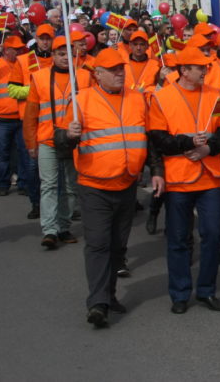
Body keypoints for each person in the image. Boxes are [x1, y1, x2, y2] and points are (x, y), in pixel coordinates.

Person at [63, 48, 164, 328]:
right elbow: (62, 142)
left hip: (127, 183)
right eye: (113, 70)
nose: (121, 73)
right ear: (98, 74)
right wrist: (68, 136)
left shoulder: (137, 99)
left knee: (118, 246)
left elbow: (150, 139)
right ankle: (97, 303)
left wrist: (156, 171)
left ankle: (108, 294)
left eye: (122, 68)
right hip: (94, 185)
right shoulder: (81, 101)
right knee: (98, 244)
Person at [147, 46, 220, 314]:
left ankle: (207, 290)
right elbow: (157, 137)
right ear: (183, 70)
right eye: (200, 67)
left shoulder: (218, 94)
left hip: (209, 176)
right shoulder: (161, 97)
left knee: (212, 234)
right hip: (178, 179)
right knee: (178, 239)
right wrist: (187, 143)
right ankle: (180, 293)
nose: (205, 71)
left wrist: (209, 148)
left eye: (206, 67)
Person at [24, 35, 93, 248]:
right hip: (47, 139)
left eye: (68, 54)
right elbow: (31, 114)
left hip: (74, 141)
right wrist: (31, 143)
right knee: (49, 185)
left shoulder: (84, 76)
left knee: (72, 186)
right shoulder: (40, 77)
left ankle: (64, 226)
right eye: (60, 54)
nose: (65, 58)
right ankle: (50, 230)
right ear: (52, 55)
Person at [0, 35, 39, 215]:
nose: (20, 51)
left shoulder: (24, 62)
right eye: (16, 49)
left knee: (24, 152)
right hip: (1, 117)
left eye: (21, 48)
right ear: (6, 50)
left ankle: (23, 183)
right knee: (2, 153)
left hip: (21, 116)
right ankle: (3, 183)